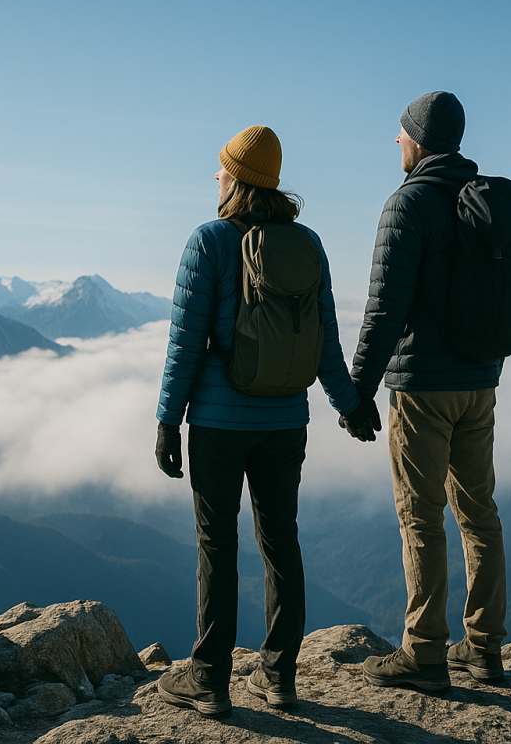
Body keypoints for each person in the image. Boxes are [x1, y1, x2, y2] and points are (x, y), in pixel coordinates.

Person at [154, 125, 374, 716]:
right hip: (285, 423)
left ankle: (209, 680)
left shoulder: (209, 243)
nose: (216, 178)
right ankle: (279, 680)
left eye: (222, 170)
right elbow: (324, 341)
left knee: (216, 546)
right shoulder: (307, 244)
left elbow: (185, 342)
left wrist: (167, 421)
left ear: (238, 179)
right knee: (281, 542)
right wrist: (348, 404)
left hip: (220, 426)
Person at [342, 91, 508, 691]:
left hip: (423, 388)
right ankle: (485, 647)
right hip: (479, 381)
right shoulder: (479, 199)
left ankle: (425, 650)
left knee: (421, 514)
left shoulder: (408, 203)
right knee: (479, 511)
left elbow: (385, 307)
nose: (396, 141)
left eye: (401, 132)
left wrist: (357, 390)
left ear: (418, 140)